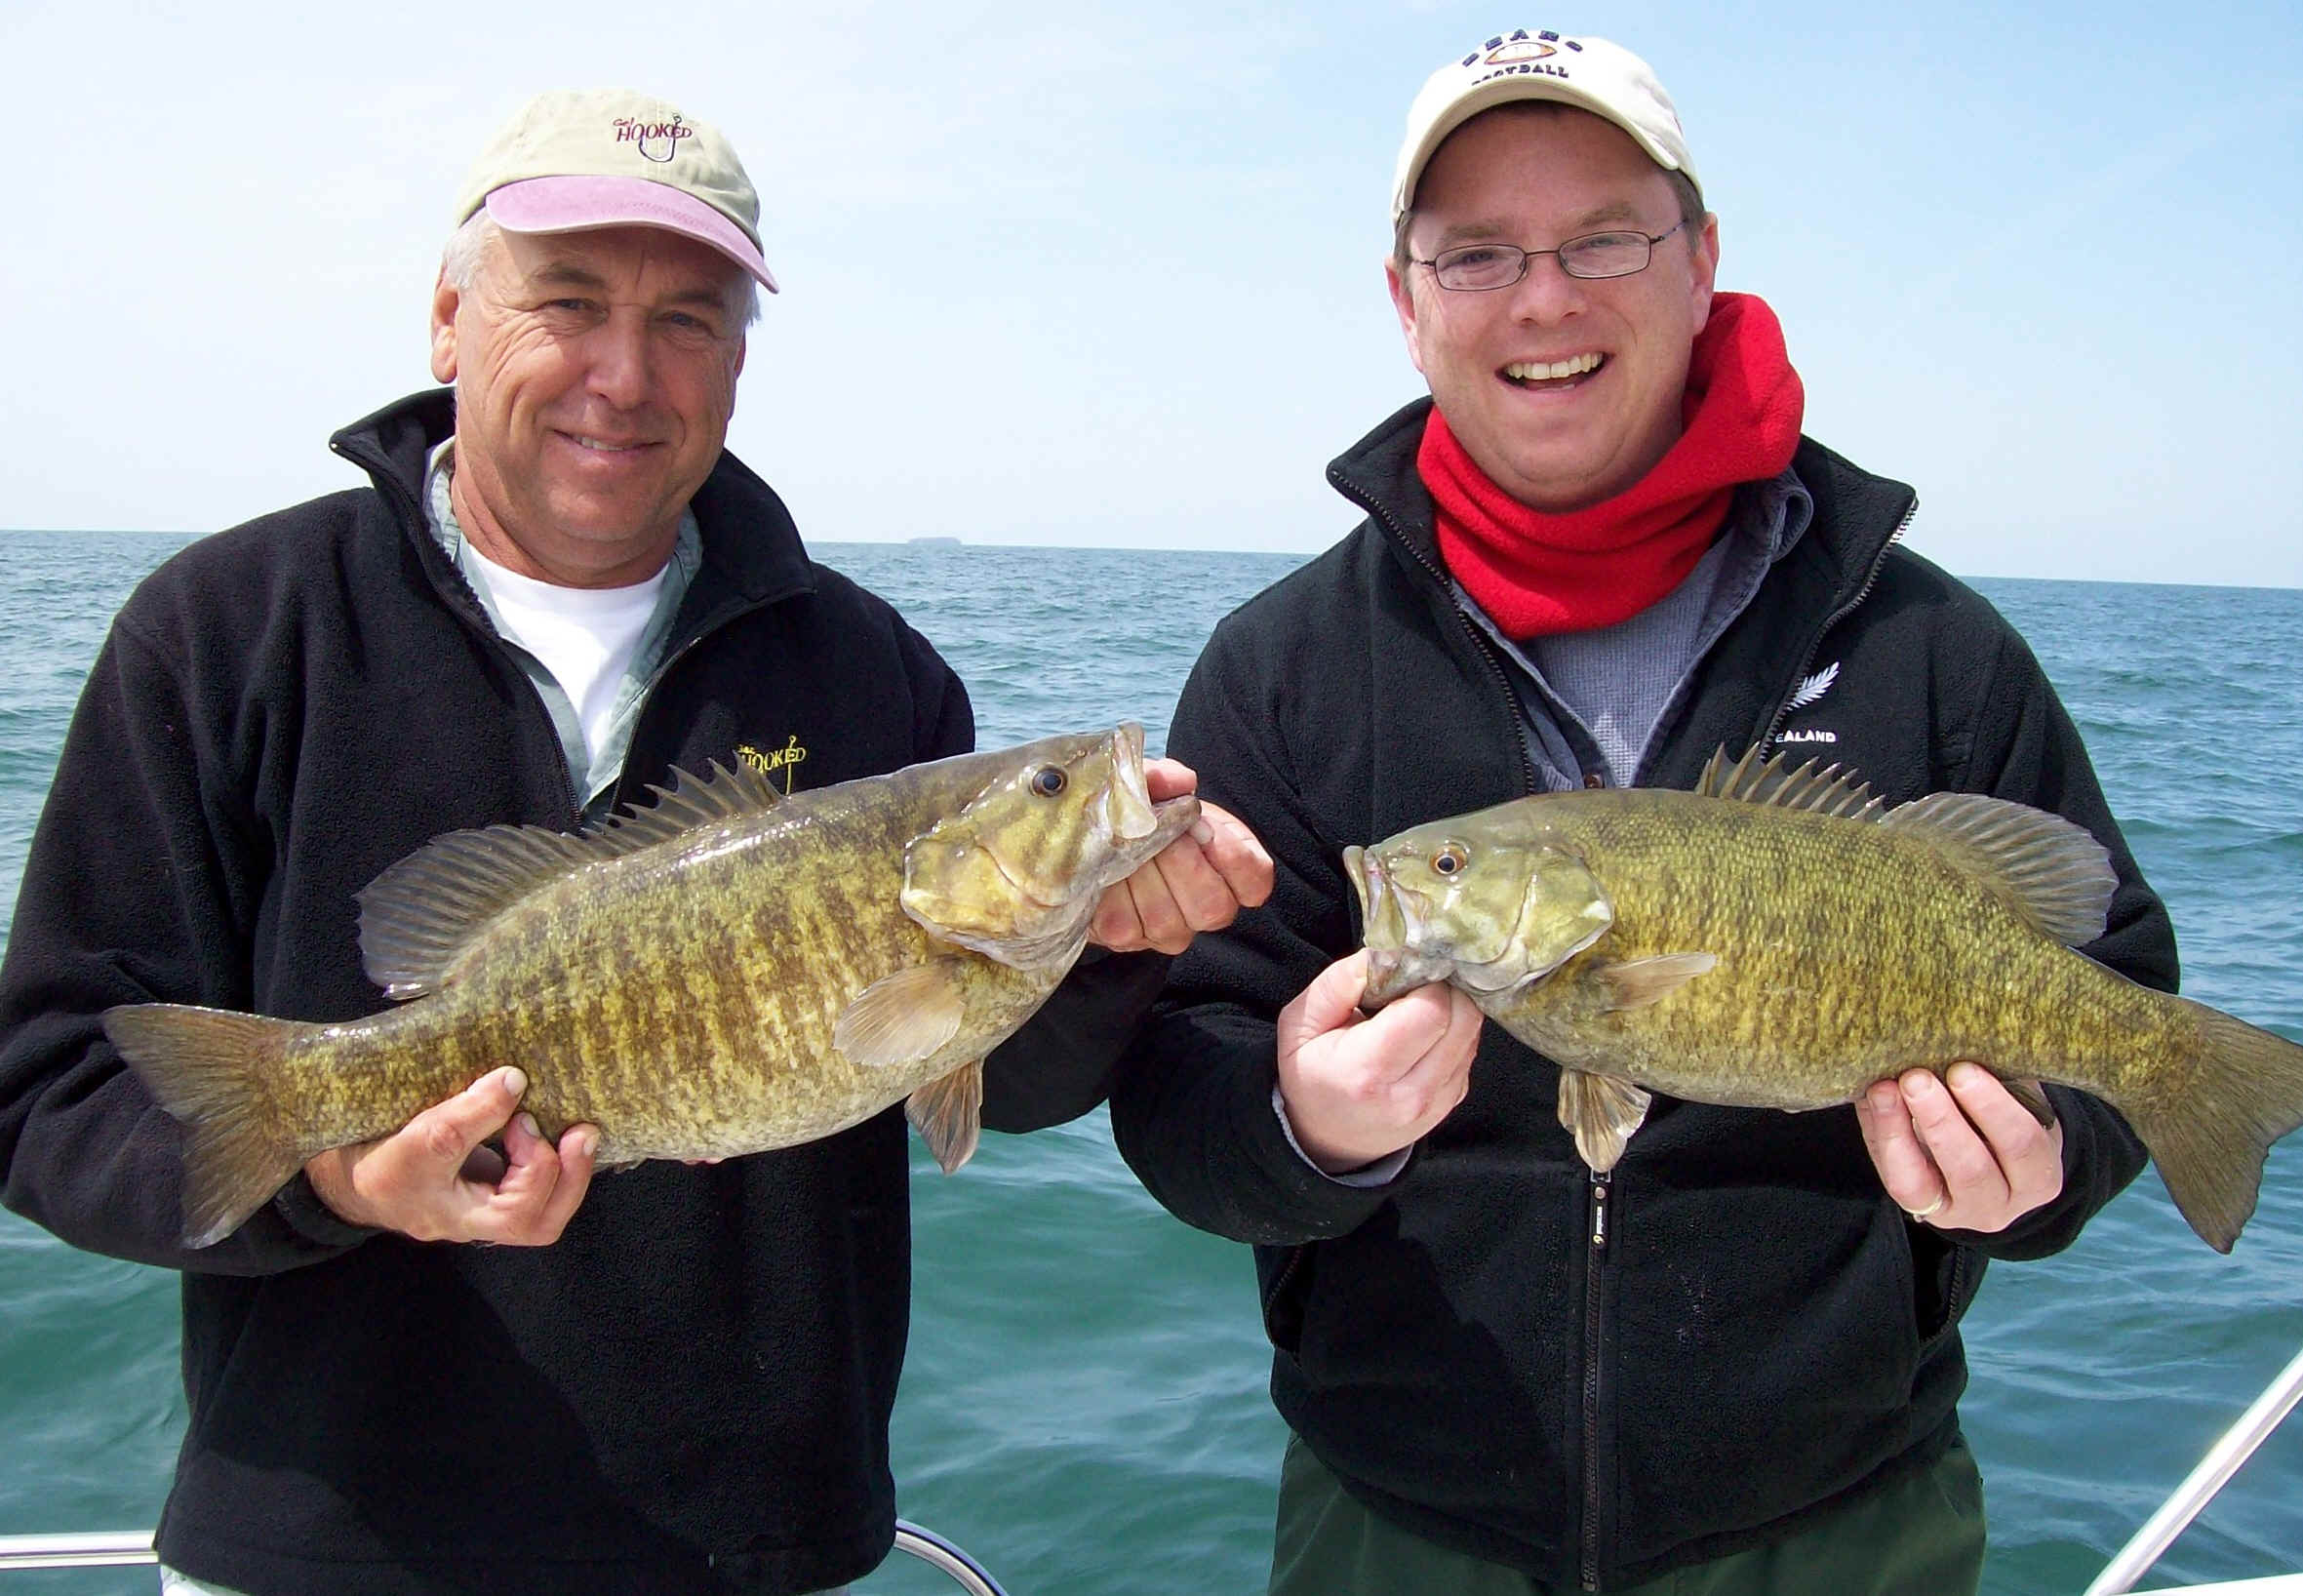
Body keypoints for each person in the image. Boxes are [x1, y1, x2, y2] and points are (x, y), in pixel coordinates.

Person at [0, 89, 1268, 1596]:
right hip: (326, 1544)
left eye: (687, 320)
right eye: (569, 304)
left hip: (751, 1541)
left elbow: (1007, 1078)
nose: (624, 371)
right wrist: (335, 1179)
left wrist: (1112, 948)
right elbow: (51, 1096)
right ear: (448, 322)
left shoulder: (876, 675)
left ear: (739, 361)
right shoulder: (226, 632)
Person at [1109, 29, 2174, 1596]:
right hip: (1399, 1525)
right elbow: (1174, 1081)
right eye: (1473, 255)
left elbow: (2122, 1012)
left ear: (1701, 261)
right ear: (1405, 302)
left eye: (1602, 236)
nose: (1542, 300)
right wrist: (1302, 1132)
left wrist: (2043, 1169)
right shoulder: (1285, 668)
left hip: (1840, 1524)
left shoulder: (1927, 647)